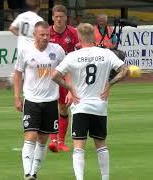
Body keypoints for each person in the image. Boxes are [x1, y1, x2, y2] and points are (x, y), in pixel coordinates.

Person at [52, 23, 128, 180]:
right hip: (99, 105)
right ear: (93, 36)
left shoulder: (72, 56)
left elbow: (54, 75)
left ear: (78, 37)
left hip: (80, 106)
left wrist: (70, 89)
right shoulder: (106, 54)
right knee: (101, 145)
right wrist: (109, 84)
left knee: (79, 147)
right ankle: (105, 178)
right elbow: (125, 70)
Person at [13, 21, 65, 180]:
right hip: (31, 100)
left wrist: (69, 90)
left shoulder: (57, 50)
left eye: (47, 35)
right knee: (30, 136)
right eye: (42, 35)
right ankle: (27, 173)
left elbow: (67, 69)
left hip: (50, 101)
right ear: (35, 35)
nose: (45, 37)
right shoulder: (25, 51)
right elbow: (18, 73)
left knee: (42, 140)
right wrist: (16, 96)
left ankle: (34, 173)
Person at [48, 4, 79, 152]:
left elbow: (78, 54)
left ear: (66, 17)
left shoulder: (73, 33)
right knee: (49, 107)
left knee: (63, 107)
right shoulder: (46, 33)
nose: (59, 19)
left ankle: (61, 141)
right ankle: (53, 140)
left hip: (65, 76)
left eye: (62, 17)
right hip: (48, 76)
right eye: (56, 17)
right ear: (53, 17)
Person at [7, 0, 44, 88]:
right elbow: (41, 35)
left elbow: (11, 28)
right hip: (32, 47)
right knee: (33, 68)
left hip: (21, 46)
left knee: (20, 68)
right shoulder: (39, 20)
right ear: (39, 7)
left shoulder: (21, 16)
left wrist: (21, 36)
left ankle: (13, 79)